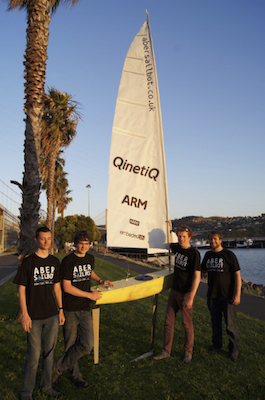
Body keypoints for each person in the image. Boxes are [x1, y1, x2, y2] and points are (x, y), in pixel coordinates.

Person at [52, 230, 114, 388]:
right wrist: (89, 295)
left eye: (87, 243)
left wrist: (100, 280)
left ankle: (57, 367)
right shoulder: (68, 261)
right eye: (81, 243)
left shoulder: (90, 258)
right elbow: (66, 287)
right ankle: (76, 376)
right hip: (71, 308)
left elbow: (89, 271)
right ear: (75, 244)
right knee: (70, 344)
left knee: (87, 344)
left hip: (85, 309)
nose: (84, 246)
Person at [13, 227, 65, 400]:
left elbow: (57, 287)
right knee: (33, 356)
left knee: (49, 354)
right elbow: (21, 290)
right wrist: (25, 315)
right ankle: (26, 392)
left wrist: (61, 309)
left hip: (51, 314)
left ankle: (46, 386)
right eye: (42, 239)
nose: (46, 242)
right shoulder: (28, 262)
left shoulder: (54, 262)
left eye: (48, 239)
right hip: (33, 317)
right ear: (36, 240)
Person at [153, 224, 201, 363]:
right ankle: (166, 351)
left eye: (184, 237)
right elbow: (169, 243)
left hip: (186, 294)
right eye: (179, 236)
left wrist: (191, 296)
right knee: (168, 323)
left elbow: (197, 276)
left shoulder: (194, 254)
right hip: (174, 292)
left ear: (189, 237)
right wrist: (170, 228)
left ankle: (188, 352)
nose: (181, 239)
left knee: (187, 324)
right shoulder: (177, 248)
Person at [201, 231, 241, 361]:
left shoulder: (229, 255)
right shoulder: (207, 255)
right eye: (211, 239)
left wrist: (237, 294)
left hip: (227, 296)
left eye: (215, 239)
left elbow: (237, 275)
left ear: (220, 240)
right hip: (212, 296)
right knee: (215, 323)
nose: (213, 241)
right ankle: (217, 346)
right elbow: (202, 271)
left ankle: (234, 348)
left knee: (230, 324)